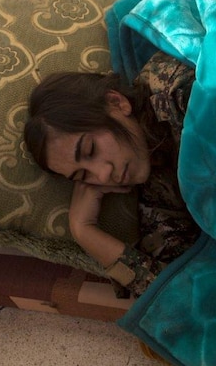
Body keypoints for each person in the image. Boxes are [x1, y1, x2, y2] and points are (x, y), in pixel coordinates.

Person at [23, 51, 200, 297]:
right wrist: (84, 230)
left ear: (117, 103)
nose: (104, 175)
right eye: (83, 175)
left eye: (90, 149)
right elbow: (177, 300)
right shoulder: (153, 184)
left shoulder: (177, 93)